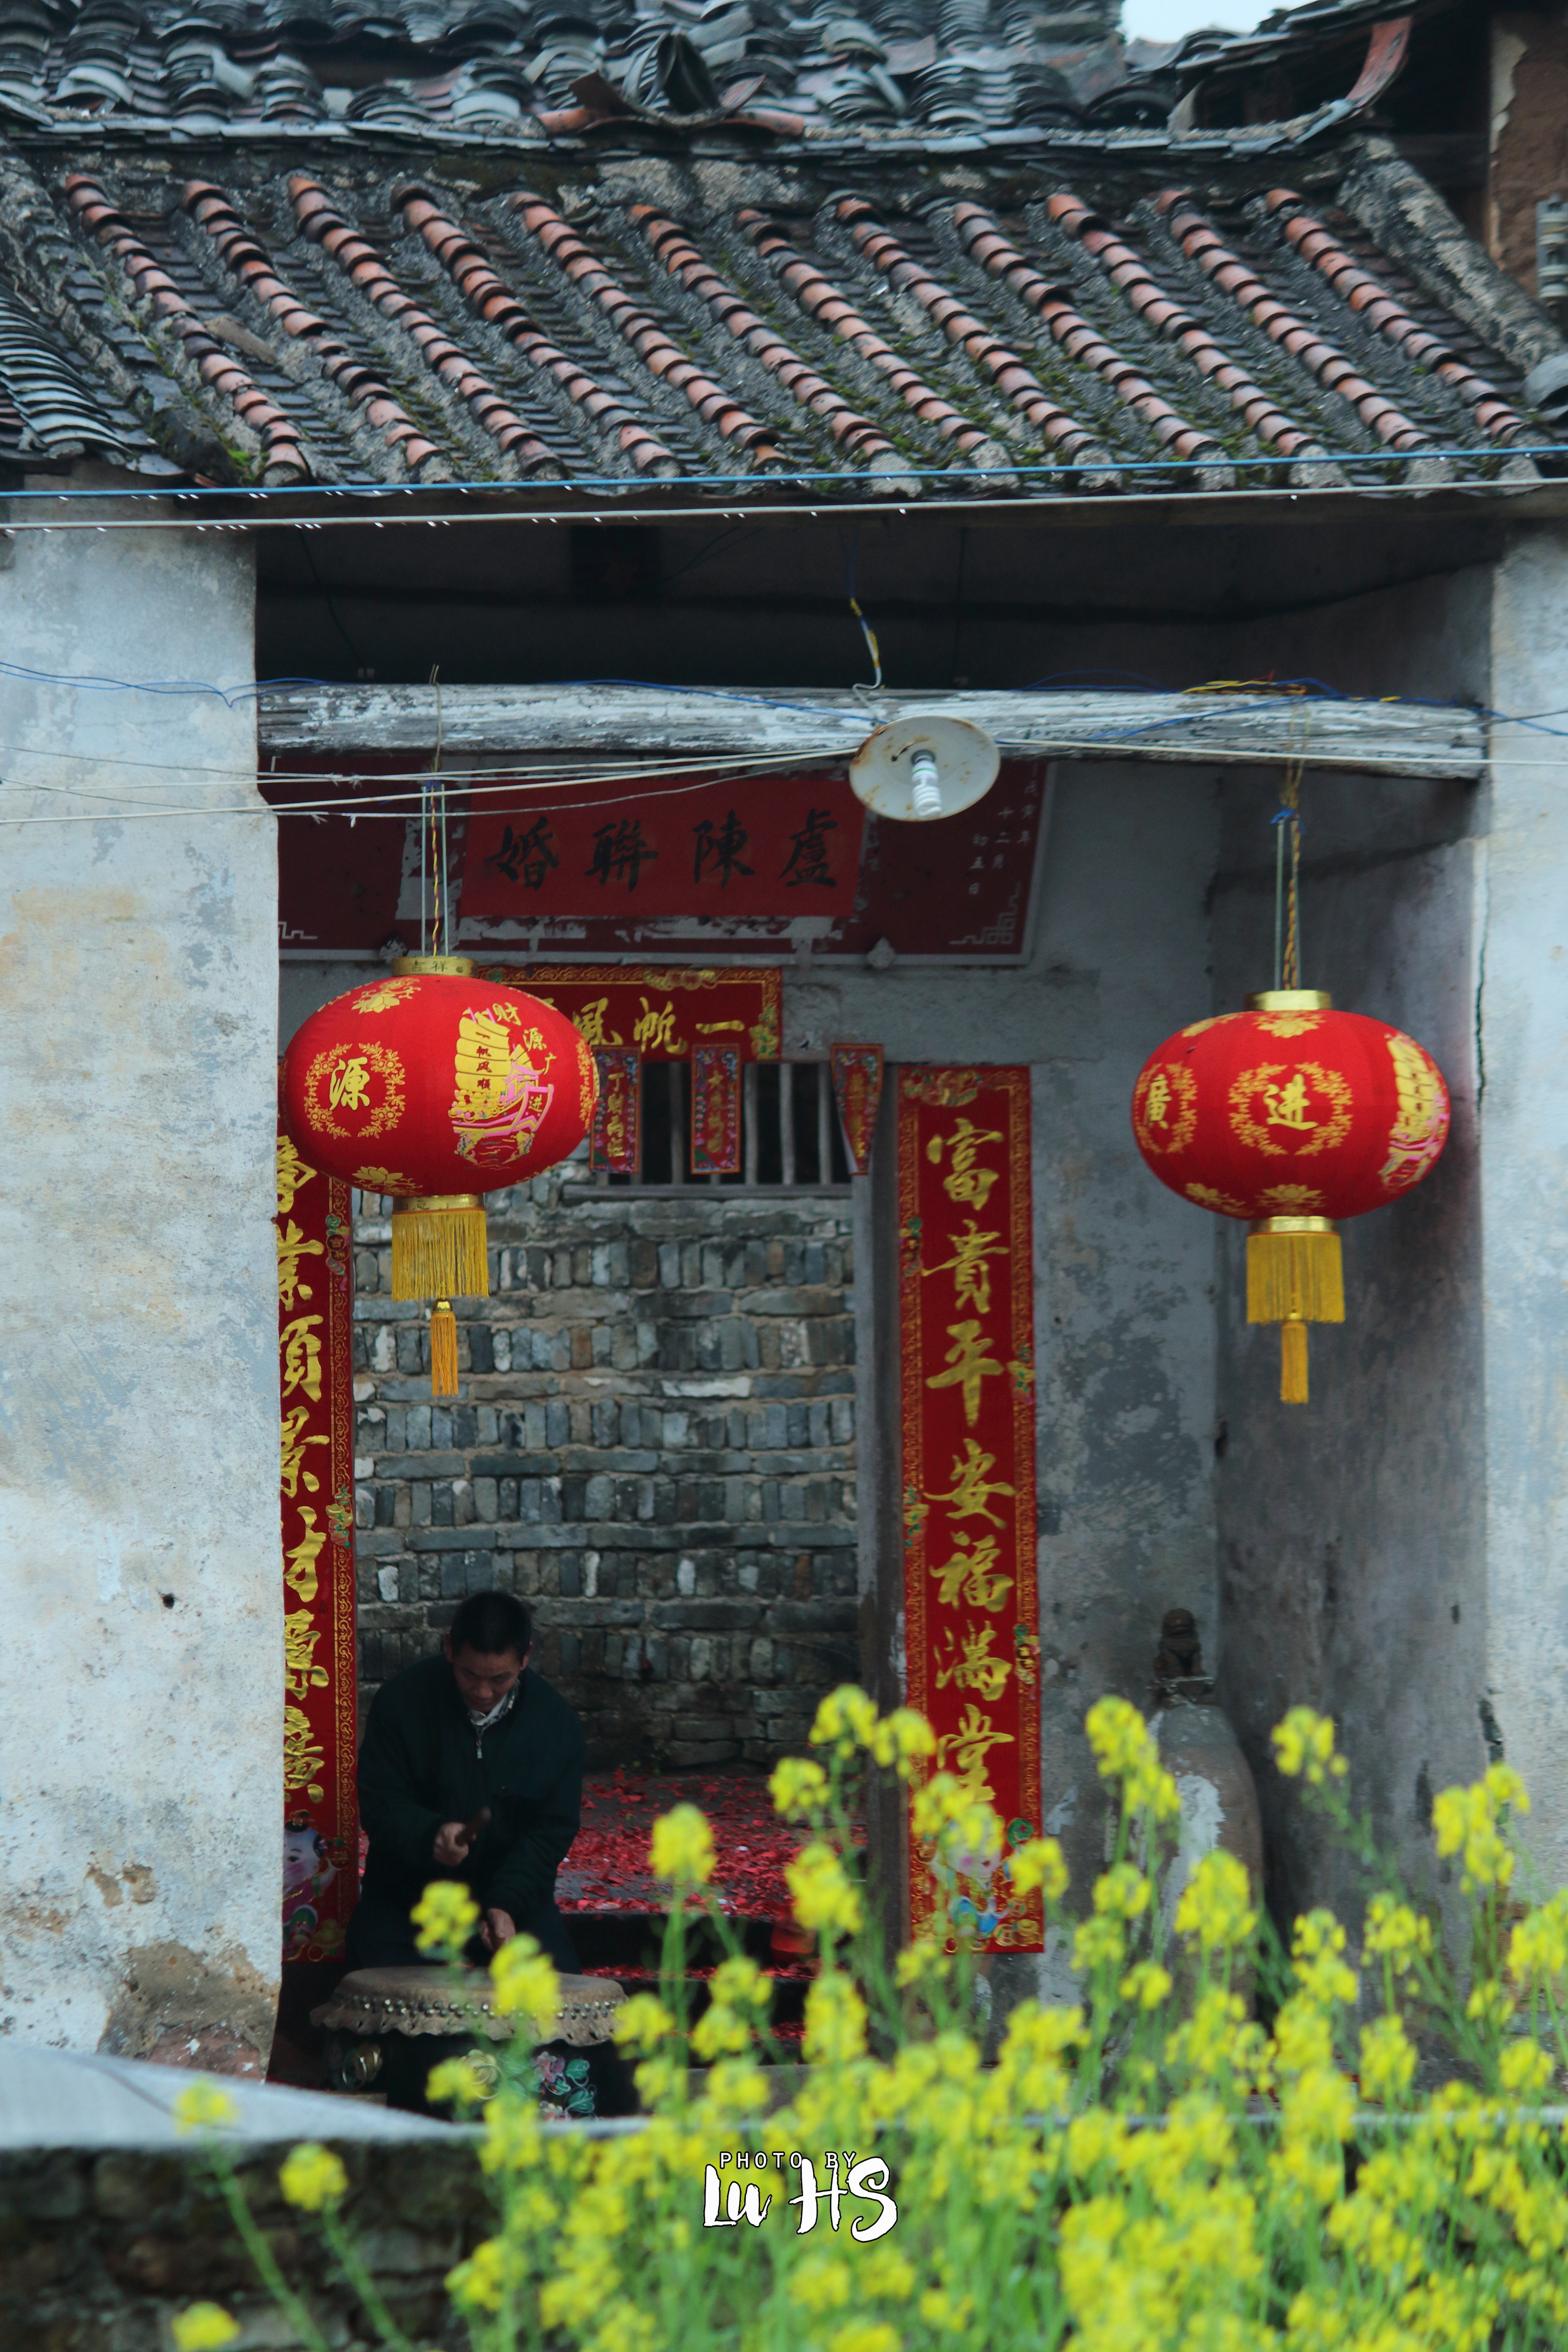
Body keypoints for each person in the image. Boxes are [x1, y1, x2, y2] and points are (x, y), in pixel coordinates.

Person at [347, 1589, 585, 1974]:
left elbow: (549, 1832)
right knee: (379, 1992)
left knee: (560, 2006)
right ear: (450, 1650)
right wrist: (431, 1834)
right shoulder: (401, 1703)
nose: (483, 1692)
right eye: (469, 1674)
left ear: (525, 1658)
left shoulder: (557, 1726)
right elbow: (380, 1802)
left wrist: (506, 1903)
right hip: (411, 1898)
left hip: (509, 1900)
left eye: (500, 1678)